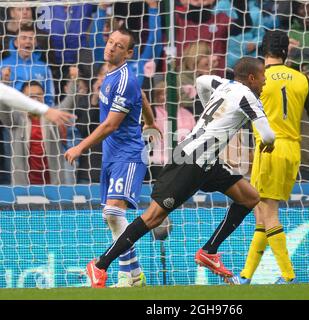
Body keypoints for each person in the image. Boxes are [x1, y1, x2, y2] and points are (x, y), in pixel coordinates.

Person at [81, 57, 276, 288]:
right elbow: (268, 136)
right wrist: (269, 144)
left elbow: (202, 80)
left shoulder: (223, 84)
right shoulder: (249, 98)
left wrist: (208, 119)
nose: (264, 82)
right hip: (191, 160)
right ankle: (100, 264)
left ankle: (209, 251)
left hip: (206, 160)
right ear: (252, 78)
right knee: (154, 217)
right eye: (263, 77)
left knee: (250, 197)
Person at [228, 30, 309, 285]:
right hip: (292, 150)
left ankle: (288, 276)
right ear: (287, 51)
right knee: (261, 214)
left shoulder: (257, 79)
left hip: (268, 148)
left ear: (263, 52)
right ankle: (245, 276)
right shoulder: (301, 79)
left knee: (268, 212)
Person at [64, 28, 155, 288]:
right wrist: (150, 121)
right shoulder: (113, 75)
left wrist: (80, 147)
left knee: (114, 212)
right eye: (110, 42)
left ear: (128, 52)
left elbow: (110, 126)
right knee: (111, 216)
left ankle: (130, 276)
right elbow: (142, 95)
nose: (111, 47)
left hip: (127, 154)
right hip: (111, 155)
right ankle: (132, 275)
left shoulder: (124, 80)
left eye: (119, 45)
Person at [0, 81, 76, 185]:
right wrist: (4, 84)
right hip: (24, 185)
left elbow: (70, 102)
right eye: (31, 96)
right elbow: (3, 107)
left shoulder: (52, 116)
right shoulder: (16, 119)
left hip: (52, 184)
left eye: (39, 95)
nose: (35, 99)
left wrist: (74, 79)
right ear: (22, 99)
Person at [0, 23, 55, 106]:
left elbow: (50, 96)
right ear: (16, 43)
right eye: (23, 38)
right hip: (14, 112)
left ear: (35, 43)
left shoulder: (44, 67)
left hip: (39, 112)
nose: (28, 41)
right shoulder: (3, 65)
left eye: (31, 38)